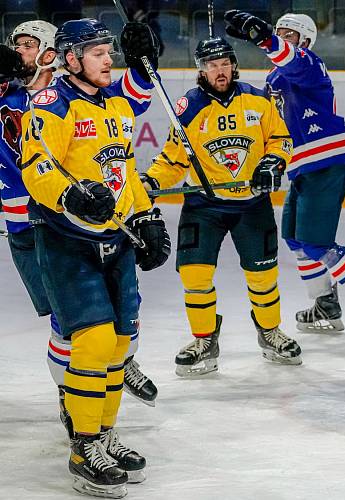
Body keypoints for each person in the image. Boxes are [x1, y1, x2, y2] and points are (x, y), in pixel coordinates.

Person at [20, 18, 169, 498]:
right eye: (97, 52)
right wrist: (71, 195)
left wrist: (146, 218)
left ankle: (103, 435)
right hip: (66, 237)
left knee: (122, 341)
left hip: (116, 239)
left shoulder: (118, 105)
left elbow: (124, 170)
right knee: (93, 339)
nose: (109, 59)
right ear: (70, 58)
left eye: (109, 50)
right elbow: (36, 166)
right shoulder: (51, 103)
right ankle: (83, 446)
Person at [140, 37, 301, 376]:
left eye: (224, 62)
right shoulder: (188, 107)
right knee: (195, 275)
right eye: (212, 65)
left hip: (251, 203)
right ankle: (204, 339)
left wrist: (272, 164)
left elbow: (281, 140)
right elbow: (173, 158)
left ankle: (269, 331)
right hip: (204, 205)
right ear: (202, 70)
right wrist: (152, 181)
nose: (220, 70)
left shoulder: (258, 100)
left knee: (263, 276)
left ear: (233, 64)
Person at [224, 10, 345, 333]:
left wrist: (267, 39)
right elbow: (267, 123)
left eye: (287, 34)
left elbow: (291, 59)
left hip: (327, 160)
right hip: (302, 166)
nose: (281, 38)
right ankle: (326, 305)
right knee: (295, 240)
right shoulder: (273, 80)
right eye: (277, 32)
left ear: (305, 41)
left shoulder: (309, 63)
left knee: (315, 243)